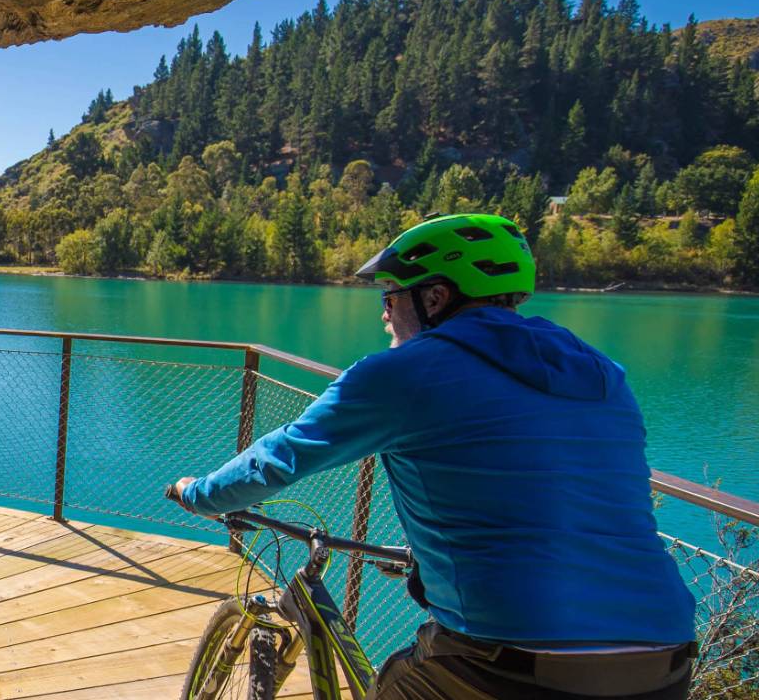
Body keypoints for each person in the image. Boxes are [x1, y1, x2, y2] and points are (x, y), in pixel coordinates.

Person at [166, 213, 697, 699]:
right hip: (663, 651)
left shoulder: (402, 375)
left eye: (391, 298)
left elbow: (276, 460)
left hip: (507, 657)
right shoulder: (602, 373)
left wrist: (199, 495)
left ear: (436, 298)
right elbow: (553, 485)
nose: (384, 315)